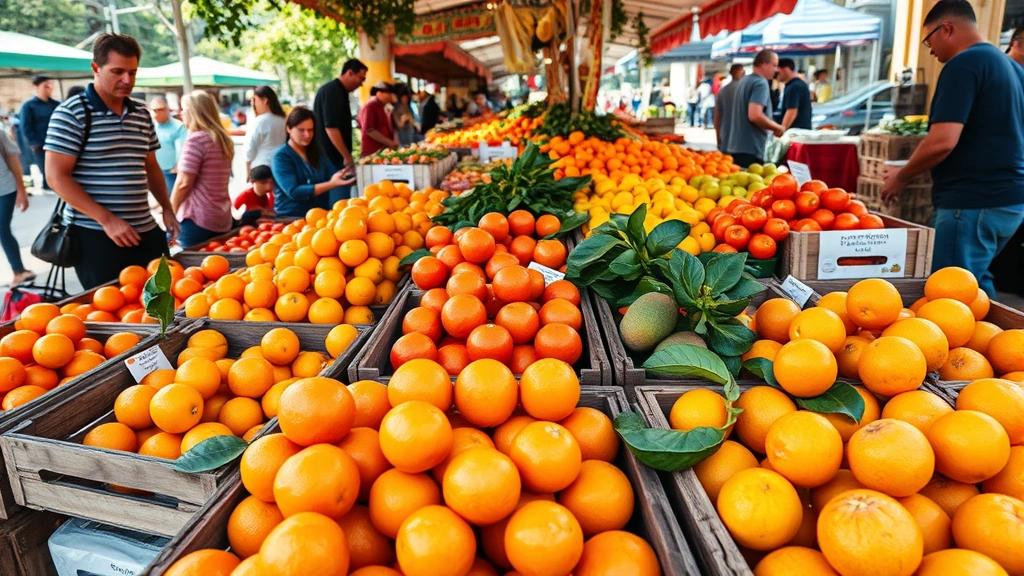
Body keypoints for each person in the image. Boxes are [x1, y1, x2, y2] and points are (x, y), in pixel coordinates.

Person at [882, 0, 1024, 298]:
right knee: (976, 284)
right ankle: (1000, 342)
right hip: (1009, 200)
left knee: (950, 294)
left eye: (928, 39)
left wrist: (901, 176)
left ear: (946, 28)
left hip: (973, 201)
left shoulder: (964, 64)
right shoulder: (1011, 67)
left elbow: (943, 140)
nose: (929, 49)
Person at [44, 34, 178, 290]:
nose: (127, 80)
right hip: (96, 236)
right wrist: (107, 220)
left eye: (132, 72)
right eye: (117, 71)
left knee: (164, 305)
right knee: (112, 314)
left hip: (146, 230)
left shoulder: (141, 114)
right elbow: (55, 177)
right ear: (95, 68)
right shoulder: (71, 113)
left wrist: (167, 208)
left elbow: (151, 167)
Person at [171, 91, 234, 248]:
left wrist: (170, 213)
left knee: (193, 270)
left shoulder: (196, 140)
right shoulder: (222, 139)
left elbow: (183, 183)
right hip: (221, 217)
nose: (181, 114)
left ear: (194, 113)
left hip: (197, 219)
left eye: (184, 109)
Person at [272, 107, 352, 218]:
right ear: (288, 129)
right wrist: (331, 184)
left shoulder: (316, 151)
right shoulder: (281, 156)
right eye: (301, 130)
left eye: (310, 130)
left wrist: (346, 176)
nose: (307, 135)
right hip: (291, 217)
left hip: (319, 216)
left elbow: (332, 175)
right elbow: (294, 191)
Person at [313, 58, 367, 204]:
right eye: (361, 78)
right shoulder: (333, 91)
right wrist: (346, 155)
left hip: (332, 156)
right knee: (339, 202)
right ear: (349, 73)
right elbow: (331, 127)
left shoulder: (338, 91)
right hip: (331, 157)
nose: (361, 84)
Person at [720, 49, 785, 168]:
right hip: (751, 148)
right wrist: (778, 128)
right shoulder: (761, 83)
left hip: (736, 146)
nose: (776, 70)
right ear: (764, 64)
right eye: (774, 65)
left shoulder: (744, 80)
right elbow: (755, 115)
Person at [0, 124, 34, 286]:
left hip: (5, 188)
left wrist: (21, 189)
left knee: (2, 228)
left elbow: (13, 159)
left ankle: (19, 271)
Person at [20, 76, 60, 191]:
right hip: (41, 144)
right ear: (36, 87)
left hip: (58, 143)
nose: (49, 88)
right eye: (46, 86)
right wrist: (34, 143)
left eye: (51, 85)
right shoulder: (29, 106)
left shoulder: (56, 104)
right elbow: (26, 126)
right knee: (46, 170)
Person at [246, 85, 287, 177]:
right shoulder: (283, 120)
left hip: (260, 168)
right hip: (280, 165)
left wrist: (247, 168)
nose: (254, 104)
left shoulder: (259, 121)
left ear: (265, 100)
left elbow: (250, 148)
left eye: (255, 100)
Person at [150, 96, 188, 194]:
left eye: (160, 109)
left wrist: (178, 166)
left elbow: (181, 149)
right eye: (154, 110)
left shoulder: (178, 127)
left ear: (167, 109)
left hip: (171, 172)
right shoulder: (150, 126)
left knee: (172, 201)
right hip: (154, 171)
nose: (157, 113)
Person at [359, 82, 399, 157]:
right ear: (380, 93)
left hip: (383, 151)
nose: (390, 97)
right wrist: (389, 142)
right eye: (389, 94)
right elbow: (369, 130)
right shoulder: (371, 106)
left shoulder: (384, 106)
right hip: (373, 152)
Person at [715, 64, 746, 151]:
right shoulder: (746, 89)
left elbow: (717, 116)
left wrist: (717, 137)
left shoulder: (723, 90)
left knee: (726, 163)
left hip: (726, 135)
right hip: (742, 139)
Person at [778, 59, 813, 131]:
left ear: (786, 69)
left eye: (778, 72)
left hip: (796, 133)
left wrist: (781, 130)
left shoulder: (794, 87)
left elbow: (792, 111)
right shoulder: (799, 84)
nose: (775, 75)